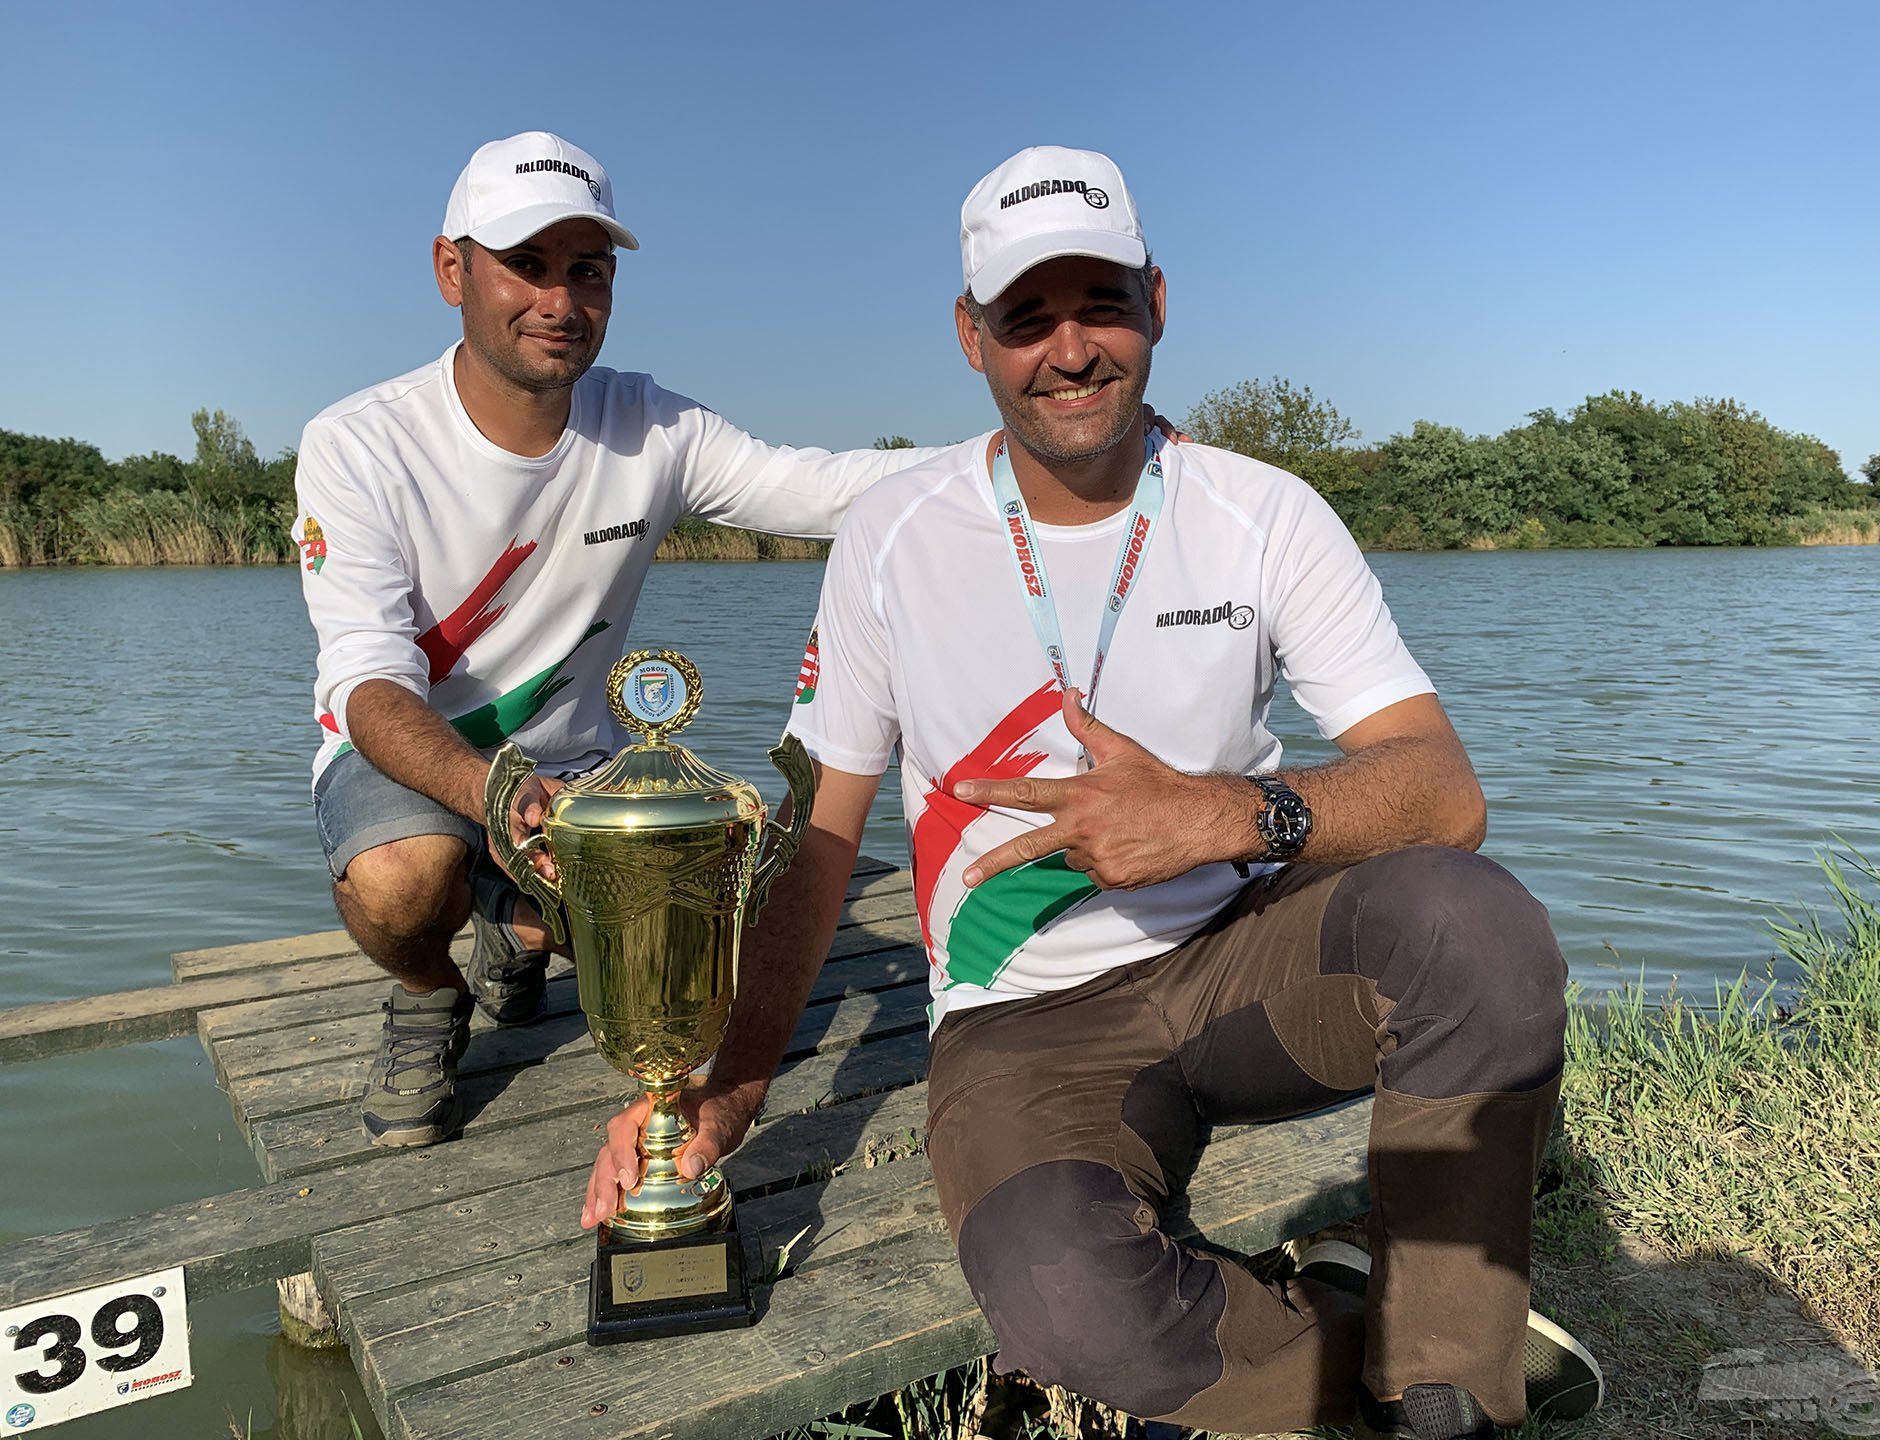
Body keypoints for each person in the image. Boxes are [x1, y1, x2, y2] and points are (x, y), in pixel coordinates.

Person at [579, 146, 1604, 1440]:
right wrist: (725, 1089)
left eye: (1102, 304)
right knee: (1069, 1312)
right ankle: (1371, 1322)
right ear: (971, 337)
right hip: (1023, 1024)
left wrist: (1229, 816)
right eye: (1027, 316)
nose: (1070, 350)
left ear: (1158, 302)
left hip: (1242, 967)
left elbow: (1444, 792)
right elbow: (820, 840)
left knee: (1480, 929)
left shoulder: (1265, 514)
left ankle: (1450, 1392)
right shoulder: (894, 536)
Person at [295, 131, 979, 1152]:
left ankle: (522, 928)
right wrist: (490, 793)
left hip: (585, 768)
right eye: (526, 265)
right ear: (452, 270)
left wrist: (1033, 451)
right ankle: (429, 994)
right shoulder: (358, 444)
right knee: (405, 878)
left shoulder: (651, 428)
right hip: (409, 764)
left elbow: (829, 488)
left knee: (720, 920)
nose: (561, 302)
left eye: (588, 271)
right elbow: (367, 686)